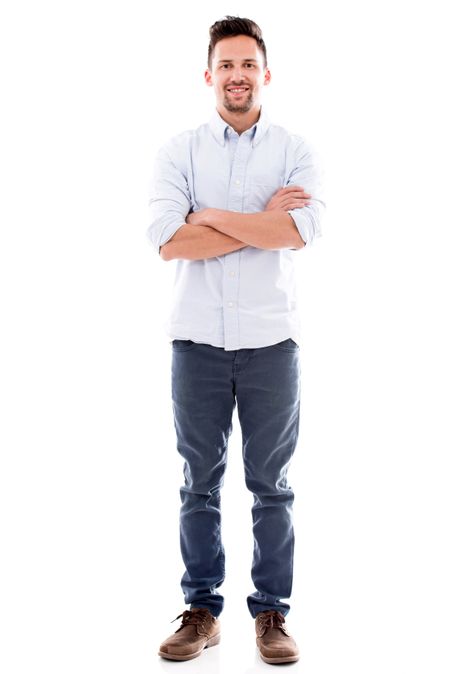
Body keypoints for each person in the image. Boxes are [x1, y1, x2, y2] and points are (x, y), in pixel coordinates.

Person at [147, 15, 325, 665]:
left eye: (248, 64)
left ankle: (272, 613)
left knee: (271, 484)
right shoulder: (179, 152)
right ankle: (202, 610)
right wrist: (259, 221)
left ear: (265, 74)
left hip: (271, 345)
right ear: (209, 75)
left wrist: (212, 218)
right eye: (226, 65)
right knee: (198, 482)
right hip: (194, 343)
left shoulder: (295, 151)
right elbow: (169, 241)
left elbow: (300, 232)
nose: (238, 75)